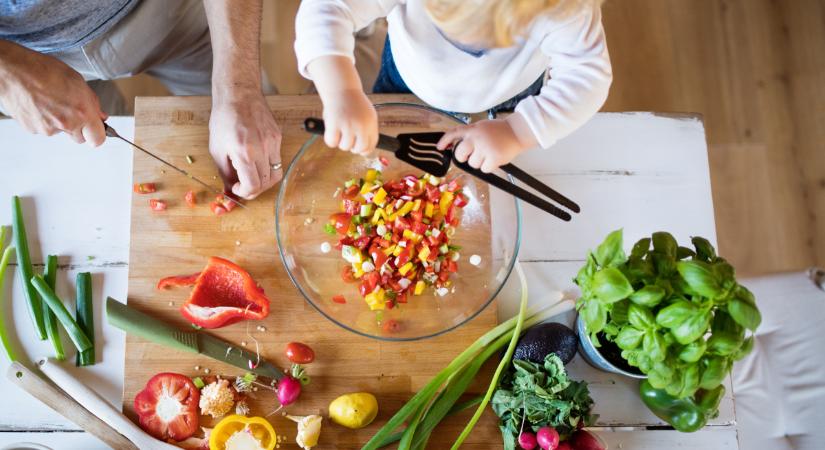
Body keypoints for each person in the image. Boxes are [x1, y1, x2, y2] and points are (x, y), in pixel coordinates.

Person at [0, 0, 281, 199]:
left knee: (256, 148)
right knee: (100, 184)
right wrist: (8, 72)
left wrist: (239, 90)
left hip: (165, 12)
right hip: (22, 54)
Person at [294, 0, 612, 173]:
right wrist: (342, 92)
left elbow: (587, 75)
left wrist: (517, 132)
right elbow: (327, 7)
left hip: (509, 98)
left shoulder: (567, 7)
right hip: (407, 79)